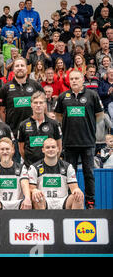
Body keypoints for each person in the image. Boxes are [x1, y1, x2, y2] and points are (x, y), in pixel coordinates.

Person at [54, 70, 105, 209]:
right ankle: (69, 201)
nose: (74, 81)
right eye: (72, 79)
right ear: (69, 81)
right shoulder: (63, 97)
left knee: (89, 173)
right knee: (70, 174)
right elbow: (58, 116)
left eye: (77, 78)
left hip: (87, 141)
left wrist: (87, 124)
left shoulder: (92, 95)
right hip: (69, 142)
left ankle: (90, 201)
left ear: (82, 79)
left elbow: (100, 115)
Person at [28, 138, 85, 210]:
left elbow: (74, 188)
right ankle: (42, 221)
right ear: (43, 150)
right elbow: (31, 188)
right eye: (47, 147)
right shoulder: (34, 167)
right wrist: (34, 190)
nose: (50, 149)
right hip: (44, 200)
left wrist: (77, 190)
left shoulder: (68, 167)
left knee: (78, 196)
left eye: (53, 147)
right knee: (37, 197)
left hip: (63, 200)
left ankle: (74, 221)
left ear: (58, 149)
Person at [17, 91, 62, 167]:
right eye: (35, 103)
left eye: (41, 103)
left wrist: (52, 162)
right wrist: (29, 163)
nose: (38, 105)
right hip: (30, 167)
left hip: (48, 167)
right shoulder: (23, 125)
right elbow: (21, 149)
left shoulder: (54, 124)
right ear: (31, 105)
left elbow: (59, 147)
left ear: (45, 105)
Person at [0, 137, 32, 210]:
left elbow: (25, 184)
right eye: (2, 149)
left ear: (13, 150)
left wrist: (27, 198)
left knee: (27, 203)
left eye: (7, 149)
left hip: (17, 204)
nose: (5, 152)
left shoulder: (21, 168)